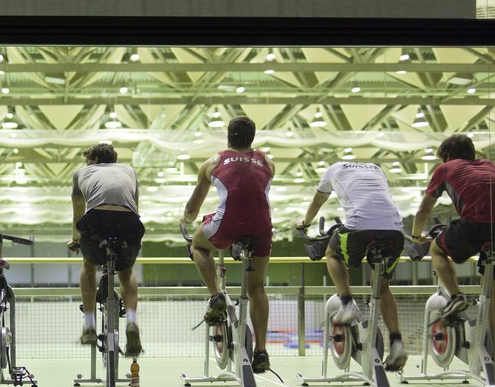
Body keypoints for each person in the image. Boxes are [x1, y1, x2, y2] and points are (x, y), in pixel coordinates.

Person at [181, 116, 274, 373]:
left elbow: (194, 206)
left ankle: (216, 295)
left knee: (197, 245)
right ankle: (262, 350)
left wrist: (186, 219)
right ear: (252, 137)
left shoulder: (214, 161)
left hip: (228, 224)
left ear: (228, 136)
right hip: (262, 226)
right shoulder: (267, 161)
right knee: (257, 288)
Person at [294, 161, 408, 371]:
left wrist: (305, 222)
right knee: (382, 288)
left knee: (332, 253)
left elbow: (317, 201)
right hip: (394, 231)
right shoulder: (376, 169)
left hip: (359, 228)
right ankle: (396, 342)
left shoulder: (333, 169)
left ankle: (346, 303)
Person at [411, 133, 495, 331]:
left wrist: (416, 237)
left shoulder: (446, 168)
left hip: (474, 225)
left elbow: (424, 210)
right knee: (491, 290)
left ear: (446, 156)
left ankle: (457, 297)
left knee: (436, 249)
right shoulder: (490, 165)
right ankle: (492, 348)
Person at [68, 143, 145, 356]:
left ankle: (90, 325)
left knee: (88, 266)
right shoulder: (130, 171)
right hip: (128, 222)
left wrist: (76, 239)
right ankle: (131, 321)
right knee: (126, 272)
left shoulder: (81, 173)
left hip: (96, 221)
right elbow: (134, 208)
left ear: (92, 160)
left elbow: (78, 213)